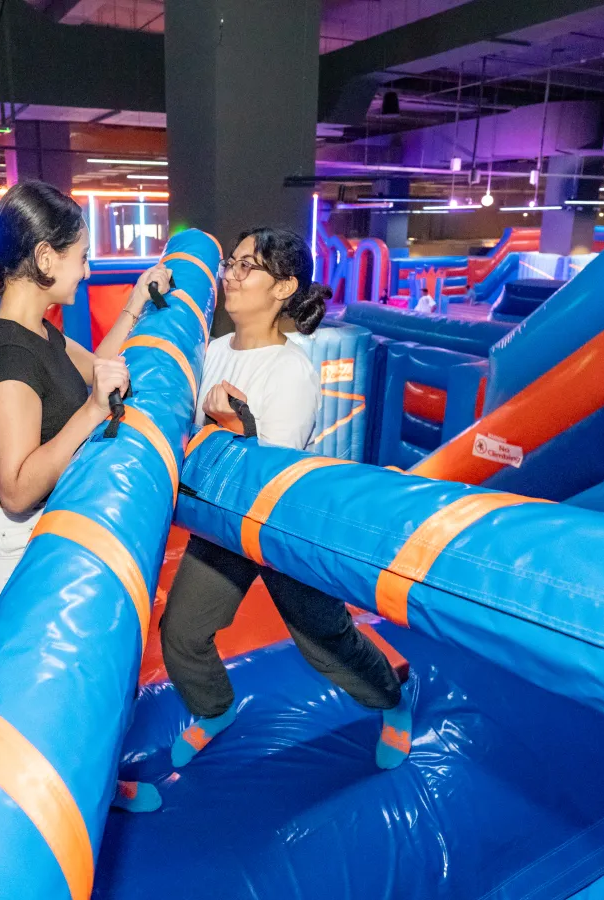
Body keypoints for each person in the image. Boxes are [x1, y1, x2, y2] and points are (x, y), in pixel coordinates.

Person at [0, 180, 169, 811]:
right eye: (80, 256)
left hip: (50, 536)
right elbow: (16, 486)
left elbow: (95, 364)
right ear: (45, 259)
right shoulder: (3, 352)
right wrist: (94, 412)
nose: (87, 268)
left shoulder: (40, 332)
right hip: (9, 549)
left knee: (69, 681)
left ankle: (84, 791)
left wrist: (134, 308)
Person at [159, 226, 414, 777]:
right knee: (181, 633)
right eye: (231, 262)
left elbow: (267, 473)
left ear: (283, 287)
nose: (231, 275)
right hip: (221, 524)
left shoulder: (290, 368)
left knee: (324, 639)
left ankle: (392, 699)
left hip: (277, 524)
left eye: (247, 266)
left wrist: (232, 421)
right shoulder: (210, 351)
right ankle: (215, 707)